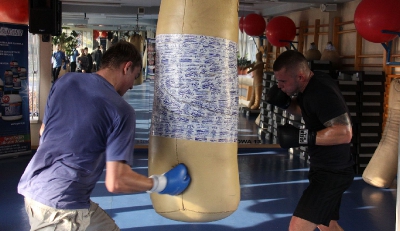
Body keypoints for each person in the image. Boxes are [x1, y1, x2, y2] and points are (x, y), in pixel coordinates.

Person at [17, 41, 191, 231]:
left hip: (35, 186)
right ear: (126, 67)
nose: (133, 86)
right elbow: (117, 181)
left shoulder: (65, 81)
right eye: (135, 76)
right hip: (62, 208)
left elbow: (44, 131)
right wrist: (163, 183)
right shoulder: (121, 110)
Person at [266, 50, 354, 231]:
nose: (280, 86)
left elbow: (344, 133)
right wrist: (286, 104)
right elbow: (306, 110)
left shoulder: (321, 92)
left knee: (297, 227)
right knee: (327, 224)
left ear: (300, 76)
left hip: (333, 173)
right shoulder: (309, 86)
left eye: (283, 82)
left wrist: (302, 137)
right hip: (325, 166)